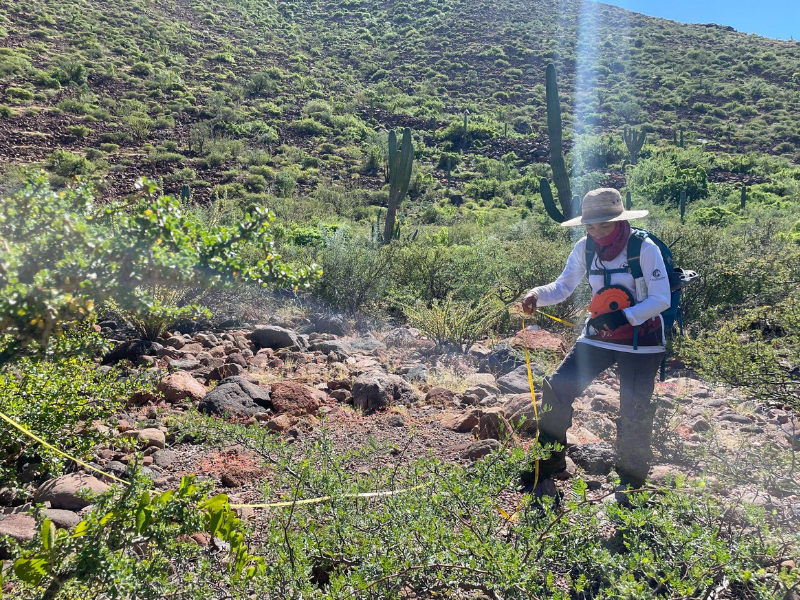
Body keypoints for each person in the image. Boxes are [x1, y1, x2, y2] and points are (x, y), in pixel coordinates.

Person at [521, 188, 670, 500]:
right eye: (591, 225)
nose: (597, 231)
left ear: (619, 219)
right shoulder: (584, 248)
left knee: (634, 410)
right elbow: (563, 286)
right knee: (558, 389)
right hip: (599, 335)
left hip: (642, 342)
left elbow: (661, 298)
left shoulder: (644, 248)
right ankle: (549, 460)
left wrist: (624, 317)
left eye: (605, 224)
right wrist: (536, 294)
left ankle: (631, 483)